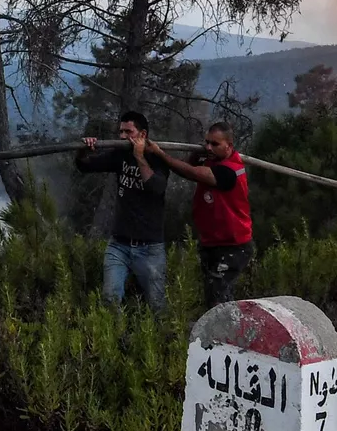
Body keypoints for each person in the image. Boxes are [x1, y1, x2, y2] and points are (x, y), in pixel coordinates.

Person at [147, 122, 251, 308]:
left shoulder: (229, 171)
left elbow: (190, 172)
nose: (209, 147)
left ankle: (225, 334)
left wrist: (160, 155)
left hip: (232, 246)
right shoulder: (212, 159)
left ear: (229, 145)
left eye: (215, 144)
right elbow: (191, 163)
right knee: (212, 294)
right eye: (207, 143)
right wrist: (197, 154)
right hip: (211, 242)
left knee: (219, 300)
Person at [76, 110, 169, 310]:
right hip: (119, 245)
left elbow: (156, 187)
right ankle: (116, 339)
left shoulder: (158, 158)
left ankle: (163, 339)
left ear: (142, 135)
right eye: (121, 132)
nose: (122, 137)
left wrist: (139, 158)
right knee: (110, 299)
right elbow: (85, 166)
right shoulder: (120, 155)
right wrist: (84, 150)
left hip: (150, 247)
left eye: (128, 132)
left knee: (157, 306)